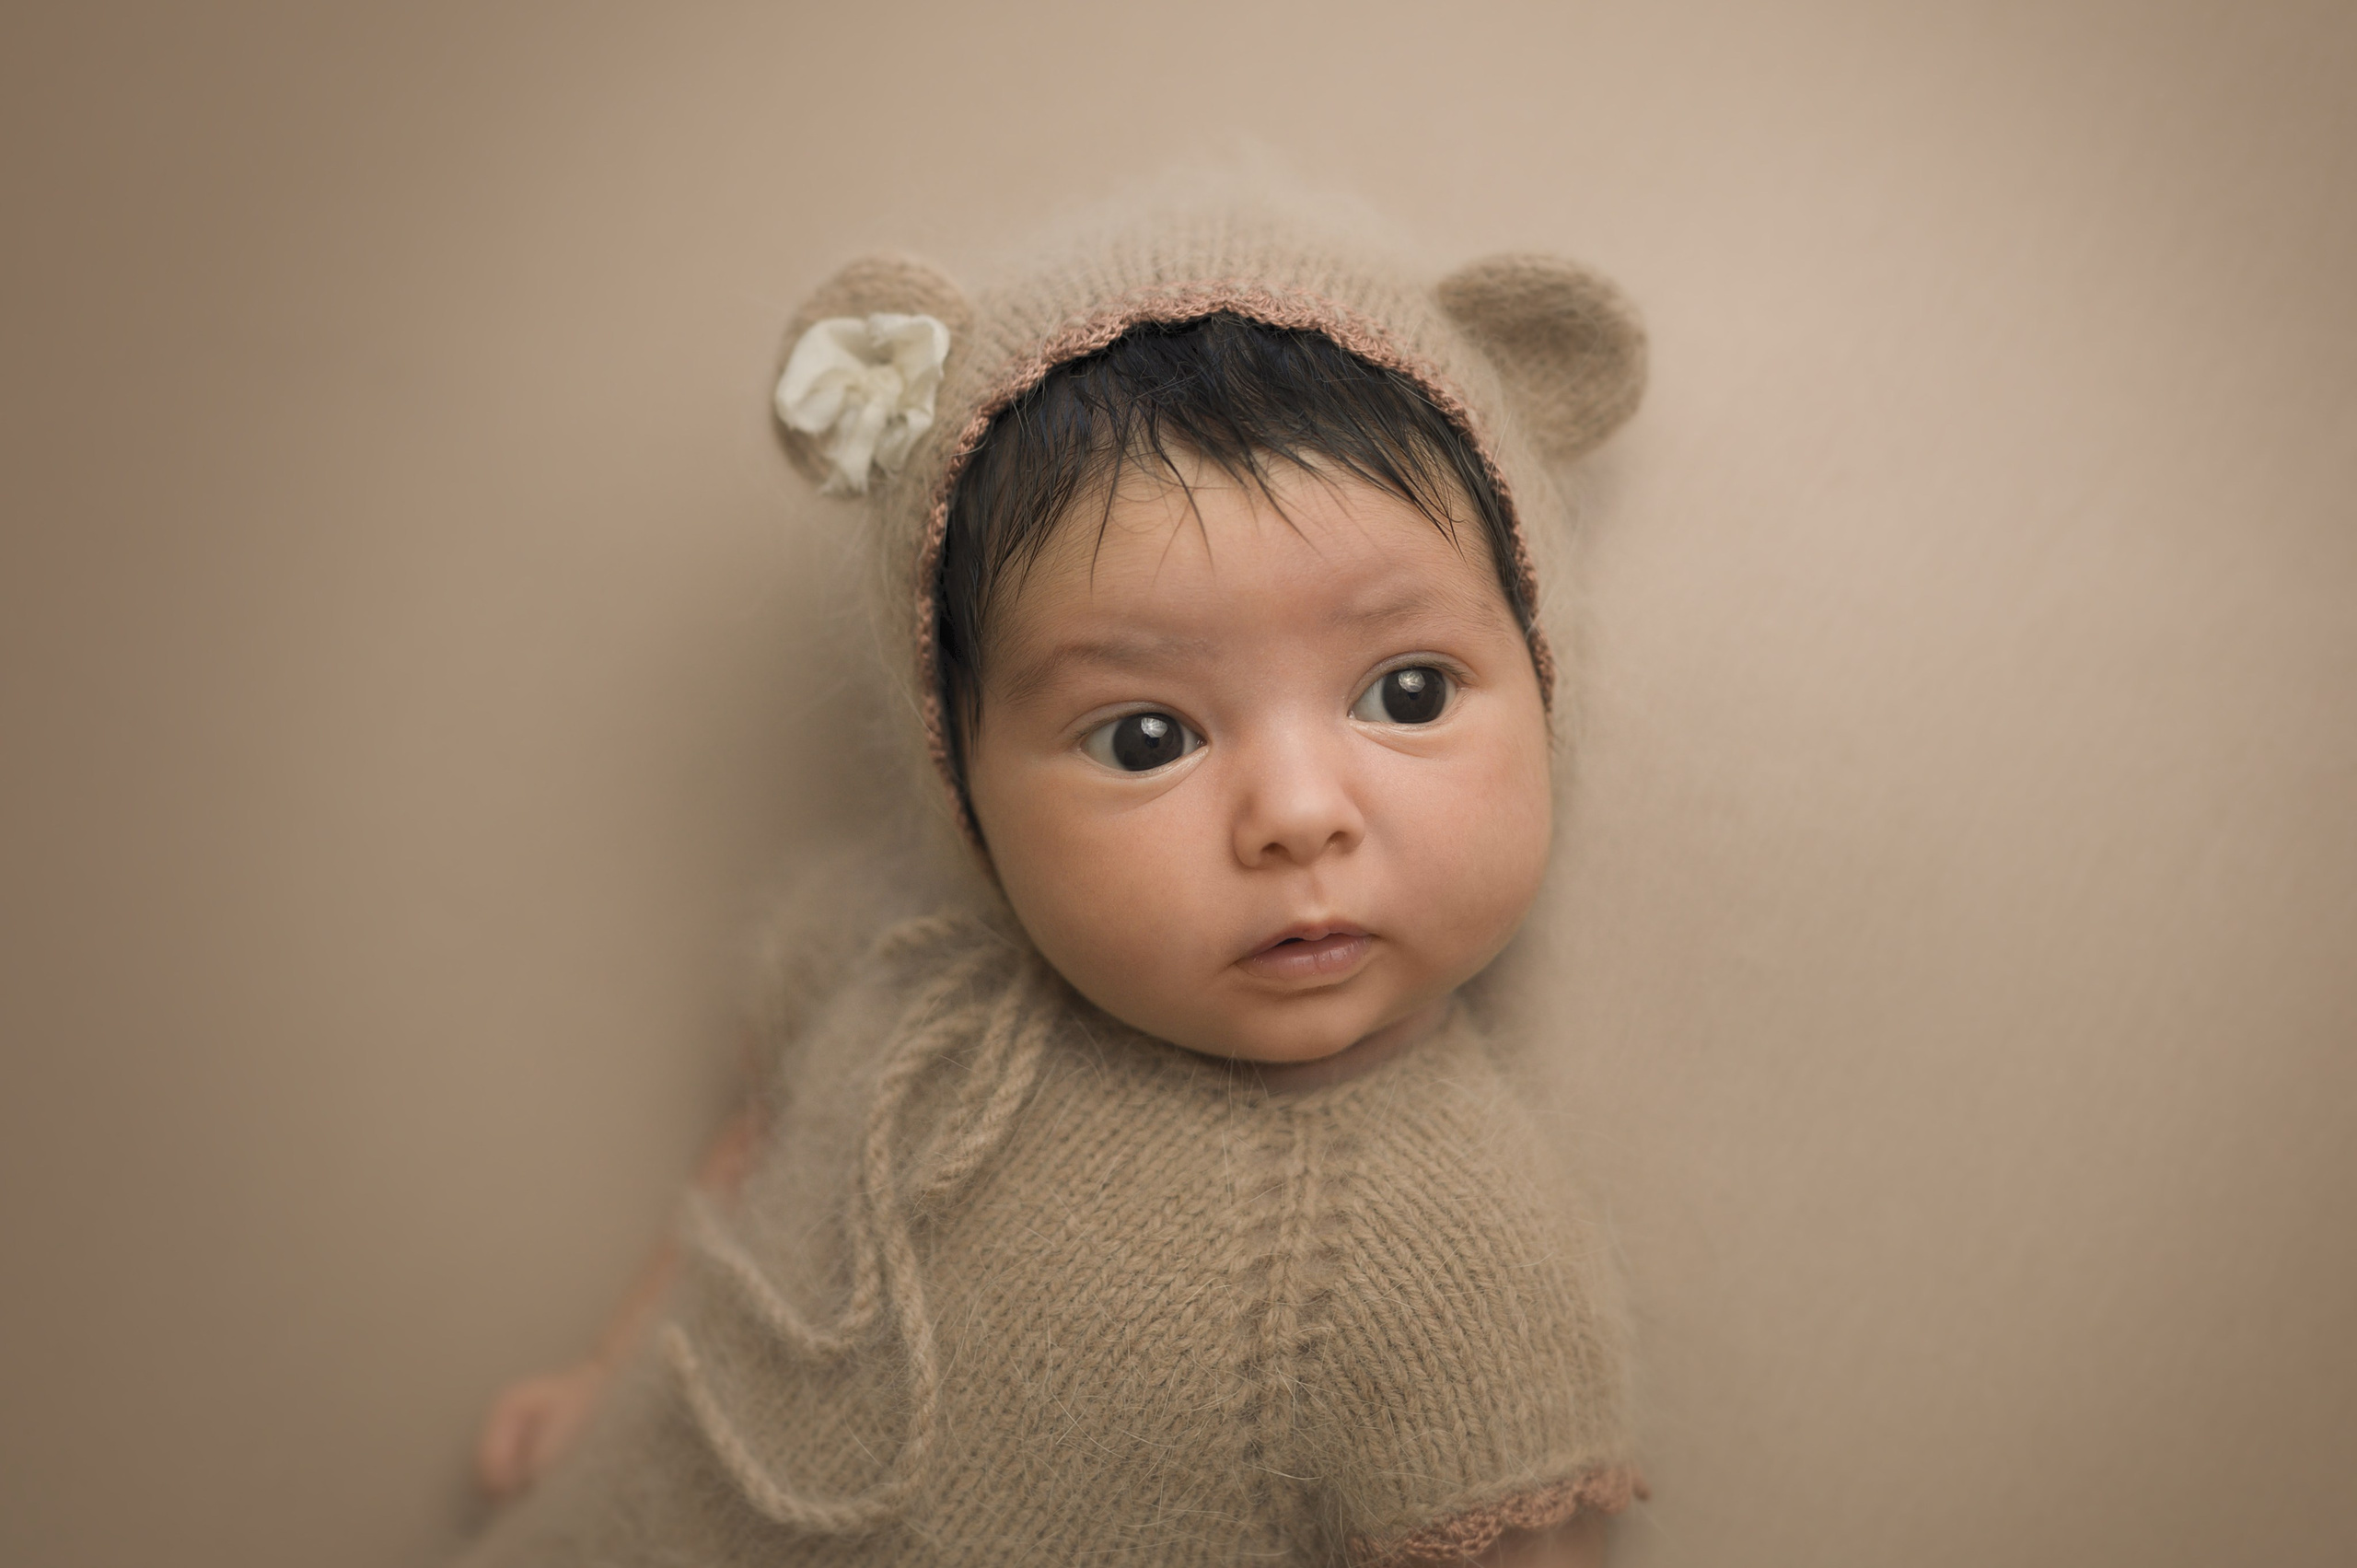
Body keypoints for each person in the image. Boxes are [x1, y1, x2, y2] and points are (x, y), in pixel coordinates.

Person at [459, 195, 1651, 1567]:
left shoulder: (1458, 1264)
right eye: (1148, 738)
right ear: (962, 775)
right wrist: (608, 1375)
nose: (1298, 816)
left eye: (1408, 691)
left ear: (1542, 683)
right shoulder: (888, 951)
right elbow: (755, 1159)